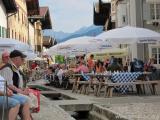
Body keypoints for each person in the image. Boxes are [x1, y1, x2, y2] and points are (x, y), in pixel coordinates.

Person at [0, 50, 31, 120]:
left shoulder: (13, 68)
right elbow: (9, 85)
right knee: (17, 103)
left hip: (8, 92)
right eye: (22, 59)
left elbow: (4, 84)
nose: (23, 61)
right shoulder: (7, 68)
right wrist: (21, 91)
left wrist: (8, 90)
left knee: (26, 100)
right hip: (6, 93)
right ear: (16, 59)